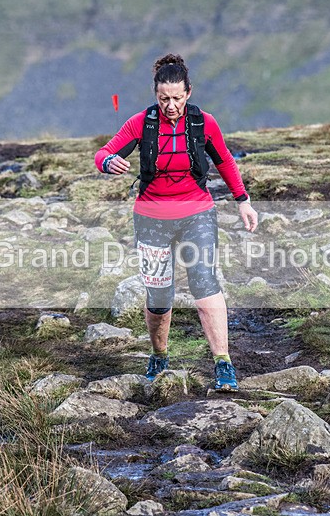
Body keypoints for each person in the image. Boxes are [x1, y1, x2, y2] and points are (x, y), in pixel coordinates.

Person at [95, 53, 258, 392]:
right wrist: (109, 161)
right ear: (156, 95)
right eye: (163, 99)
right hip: (151, 220)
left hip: (197, 213)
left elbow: (225, 161)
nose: (170, 105)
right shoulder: (142, 123)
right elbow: (104, 153)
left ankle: (223, 363)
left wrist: (243, 200)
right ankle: (159, 355)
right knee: (159, 297)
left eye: (176, 98)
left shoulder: (204, 123)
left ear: (188, 92)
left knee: (204, 282)